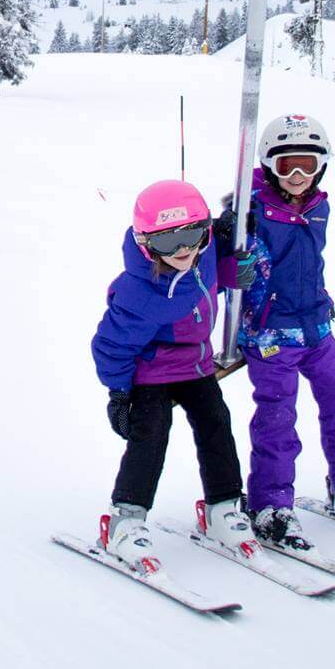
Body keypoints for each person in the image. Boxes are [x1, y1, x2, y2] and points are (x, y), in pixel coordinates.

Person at [234, 113, 335, 550]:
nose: (298, 175)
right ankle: (271, 506)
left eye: (307, 163)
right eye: (287, 166)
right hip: (269, 337)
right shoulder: (251, 212)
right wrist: (234, 236)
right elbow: (230, 267)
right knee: (278, 421)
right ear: (267, 165)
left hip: (317, 327)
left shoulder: (320, 207)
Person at [91, 179, 257, 572]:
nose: (183, 251)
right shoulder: (139, 290)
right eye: (168, 243)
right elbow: (111, 345)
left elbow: (214, 278)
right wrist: (118, 394)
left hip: (196, 363)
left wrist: (234, 256)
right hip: (151, 370)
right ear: (147, 244)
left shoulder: (204, 251)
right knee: (151, 435)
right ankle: (125, 520)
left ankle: (223, 507)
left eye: (192, 236)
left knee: (216, 422)